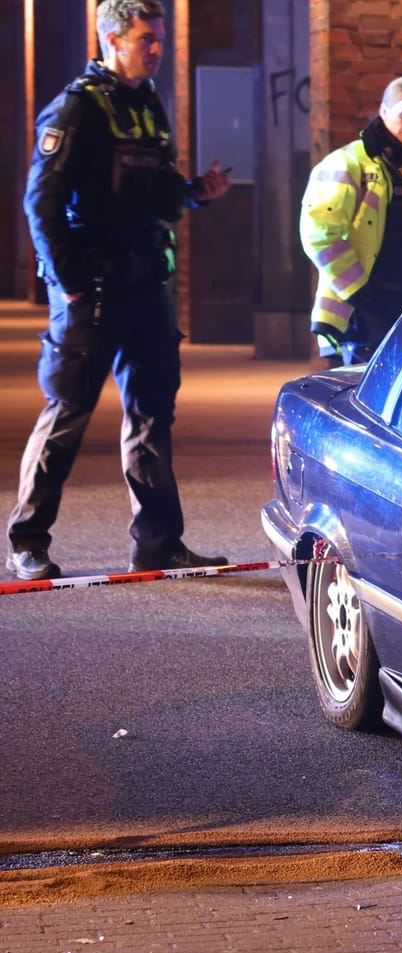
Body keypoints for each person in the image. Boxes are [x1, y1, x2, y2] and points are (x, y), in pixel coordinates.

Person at [8, 0, 234, 581]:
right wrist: (70, 285)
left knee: (154, 415)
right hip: (93, 289)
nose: (156, 49)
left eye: (159, 39)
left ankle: (159, 541)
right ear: (111, 39)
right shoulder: (76, 108)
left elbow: (152, 195)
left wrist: (194, 192)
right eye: (146, 40)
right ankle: (26, 541)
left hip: (146, 286)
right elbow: (42, 203)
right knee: (67, 413)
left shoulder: (148, 104)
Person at [301, 76, 402, 367]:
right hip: (360, 309)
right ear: (384, 110)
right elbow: (319, 234)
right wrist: (361, 293)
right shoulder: (348, 163)